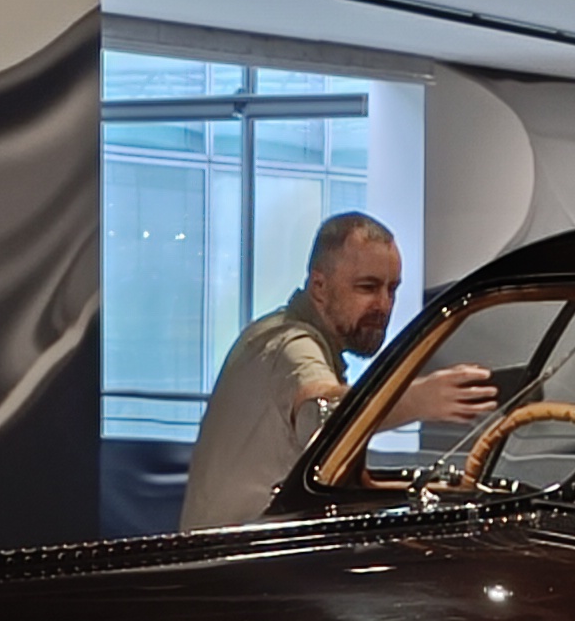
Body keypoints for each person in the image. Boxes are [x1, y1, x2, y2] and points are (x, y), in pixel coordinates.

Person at [178, 213, 495, 531]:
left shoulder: (288, 339)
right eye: (368, 287)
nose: (384, 305)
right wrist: (417, 400)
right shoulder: (289, 346)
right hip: (241, 557)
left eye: (392, 290)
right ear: (319, 286)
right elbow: (322, 413)